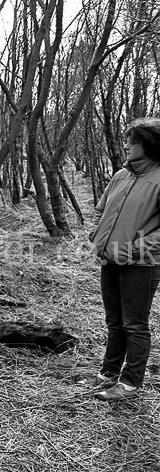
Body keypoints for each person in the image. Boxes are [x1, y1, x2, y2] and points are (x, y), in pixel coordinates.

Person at [87, 117, 160, 401]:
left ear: (149, 145)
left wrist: (133, 249)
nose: (127, 145)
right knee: (114, 322)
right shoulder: (121, 175)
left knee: (135, 324)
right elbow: (100, 209)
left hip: (142, 266)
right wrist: (97, 235)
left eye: (134, 141)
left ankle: (130, 384)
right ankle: (108, 373)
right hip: (109, 261)